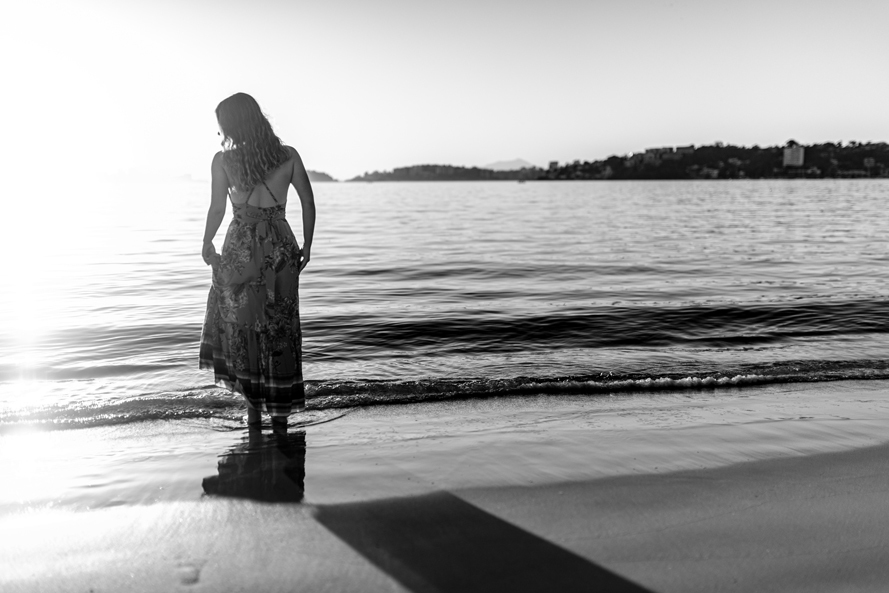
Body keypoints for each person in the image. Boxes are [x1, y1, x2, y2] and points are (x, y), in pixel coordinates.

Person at [199, 92, 315, 433]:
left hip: (241, 249)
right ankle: (279, 414)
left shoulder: (223, 161)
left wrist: (206, 241)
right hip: (280, 247)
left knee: (241, 326)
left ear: (232, 124)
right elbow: (308, 201)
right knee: (280, 326)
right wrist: (308, 244)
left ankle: (253, 415)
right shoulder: (288, 155)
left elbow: (218, 209)